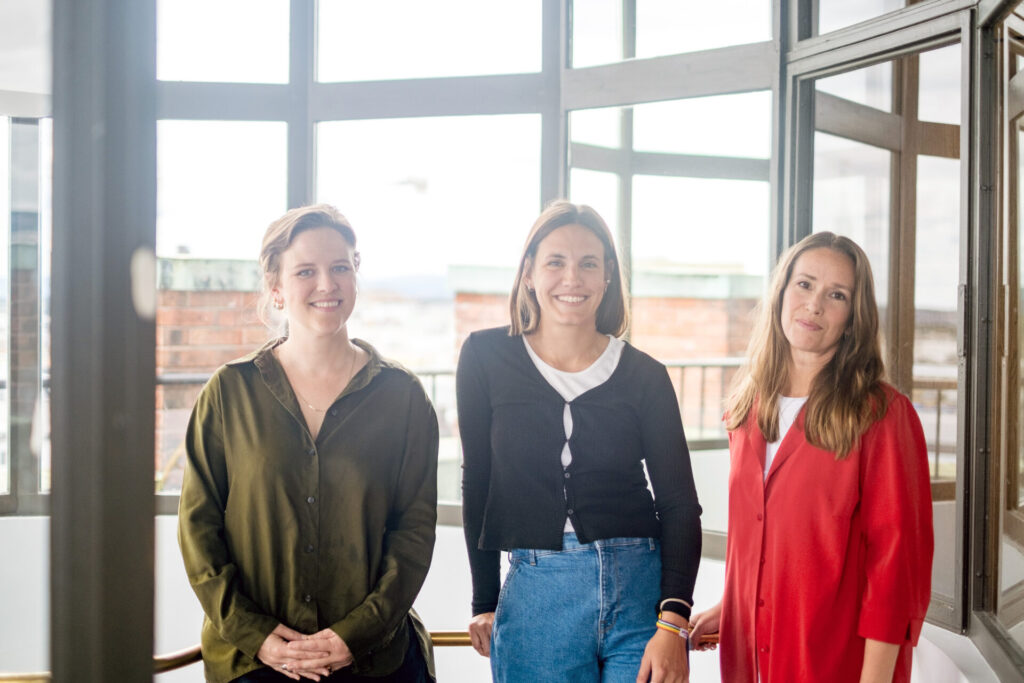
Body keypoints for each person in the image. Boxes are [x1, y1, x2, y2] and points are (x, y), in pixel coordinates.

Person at [178, 204, 439, 683]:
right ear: (276, 289)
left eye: (340, 267)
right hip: (253, 664)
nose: (327, 284)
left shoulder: (403, 397)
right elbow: (199, 532)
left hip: (375, 663)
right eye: (306, 271)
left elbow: (415, 534)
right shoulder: (229, 392)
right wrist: (257, 635)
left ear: (356, 276)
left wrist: (353, 635)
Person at [457, 200, 702, 683]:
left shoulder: (646, 375)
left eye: (589, 263)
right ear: (528, 273)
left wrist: (673, 621)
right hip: (537, 597)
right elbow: (478, 485)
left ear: (607, 276)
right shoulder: (485, 357)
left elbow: (679, 504)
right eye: (556, 262)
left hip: (640, 593)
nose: (573, 278)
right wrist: (484, 600)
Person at [688, 232, 933, 683]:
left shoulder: (882, 415)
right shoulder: (747, 407)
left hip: (834, 659)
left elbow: (896, 568)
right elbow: (761, 537)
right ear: (781, 292)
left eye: (835, 295)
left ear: (853, 319)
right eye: (804, 285)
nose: (814, 305)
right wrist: (735, 605)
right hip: (752, 657)